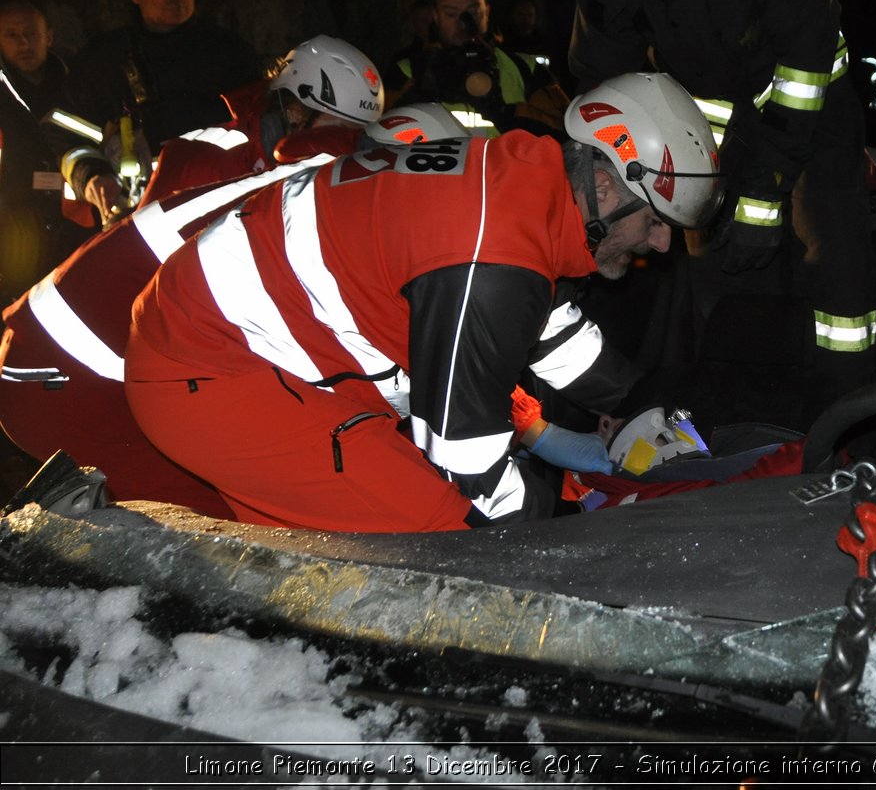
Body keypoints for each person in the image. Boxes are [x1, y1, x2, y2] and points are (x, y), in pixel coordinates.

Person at [123, 73, 723, 532]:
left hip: (255, 339)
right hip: (214, 364)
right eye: (654, 220)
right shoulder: (493, 259)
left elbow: (553, 331)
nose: (662, 242)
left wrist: (638, 402)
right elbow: (469, 469)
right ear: (603, 182)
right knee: (438, 530)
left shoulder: (522, 183)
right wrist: (568, 535)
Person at [557, 0, 876, 427]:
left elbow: (804, 68)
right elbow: (604, 83)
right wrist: (598, 182)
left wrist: (764, 192)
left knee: (833, 263)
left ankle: (844, 423)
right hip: (702, 128)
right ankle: (724, 423)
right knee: (712, 269)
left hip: (810, 106)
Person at [0, 104, 469, 517]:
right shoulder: (343, 213)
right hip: (79, 376)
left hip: (66, 355)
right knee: (218, 525)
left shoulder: (323, 180)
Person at [138, 35, 385, 206]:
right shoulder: (202, 160)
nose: (348, 144)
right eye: (339, 130)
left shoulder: (333, 175)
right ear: (294, 113)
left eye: (360, 134)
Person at [73, 0, 260, 157]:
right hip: (130, 188)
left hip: (216, 184)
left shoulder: (231, 53)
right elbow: (68, 128)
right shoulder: (105, 57)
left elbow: (257, 125)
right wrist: (91, 173)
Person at [0, 0, 121, 305]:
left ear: (49, 36)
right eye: (11, 35)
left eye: (31, 33)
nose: (23, 43)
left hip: (76, 227)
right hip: (14, 230)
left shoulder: (80, 88)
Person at [387, 0, 568, 137]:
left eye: (473, 12)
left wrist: (504, 112)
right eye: (451, 14)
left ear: (487, 13)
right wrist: (416, 96)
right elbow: (375, 136)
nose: (464, 24)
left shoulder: (525, 68)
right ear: (435, 16)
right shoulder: (409, 70)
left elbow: (567, 133)